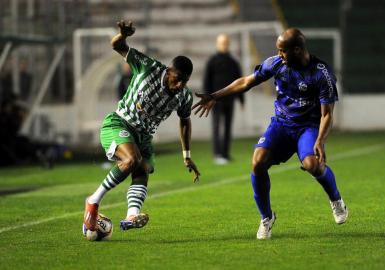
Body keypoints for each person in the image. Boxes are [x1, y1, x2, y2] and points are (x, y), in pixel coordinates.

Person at [193, 28, 348, 240]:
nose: (279, 54)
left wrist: (320, 141)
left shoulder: (322, 74)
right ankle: (266, 218)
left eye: (283, 50)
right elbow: (246, 81)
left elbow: (327, 114)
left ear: (297, 49)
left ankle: (336, 200)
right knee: (257, 162)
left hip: (308, 128)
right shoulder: (276, 63)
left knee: (313, 164)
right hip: (282, 125)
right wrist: (215, 95)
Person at [83, 20, 201, 232]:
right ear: (169, 71)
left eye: (185, 81)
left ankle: (131, 215)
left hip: (144, 138)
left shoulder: (184, 96)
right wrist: (123, 35)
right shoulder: (148, 67)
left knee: (142, 170)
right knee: (132, 160)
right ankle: (93, 200)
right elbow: (117, 46)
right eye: (178, 79)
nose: (180, 85)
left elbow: (185, 121)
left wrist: (186, 154)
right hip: (119, 123)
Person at [203, 34, 244, 165]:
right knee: (216, 126)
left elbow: (240, 81)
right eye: (222, 43)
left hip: (229, 99)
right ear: (217, 44)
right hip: (215, 100)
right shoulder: (212, 61)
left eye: (226, 43)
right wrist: (207, 98)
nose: (224, 45)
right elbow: (206, 81)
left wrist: (241, 99)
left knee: (227, 127)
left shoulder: (233, 62)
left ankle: (225, 154)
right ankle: (217, 154)